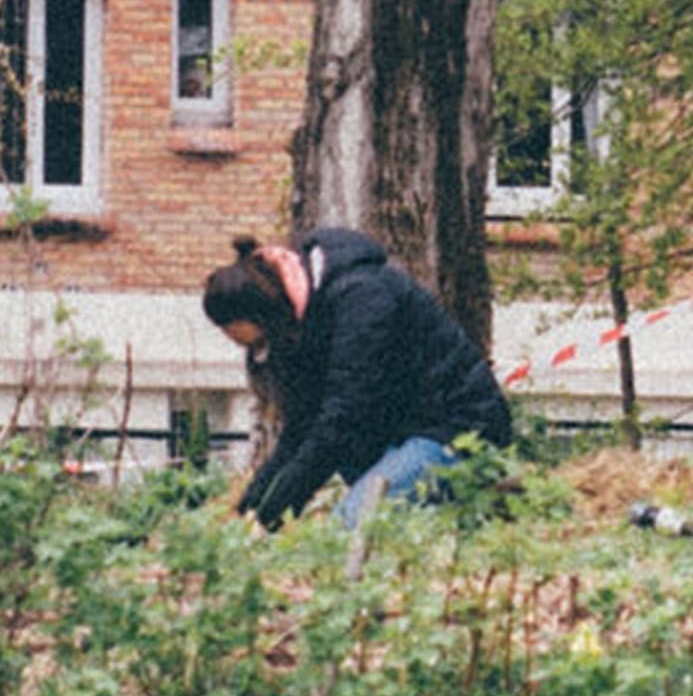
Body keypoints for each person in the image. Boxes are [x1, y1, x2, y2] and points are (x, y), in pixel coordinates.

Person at [211, 221, 510, 527]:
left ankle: (470, 512)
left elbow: (343, 417)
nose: (261, 355)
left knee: (350, 525)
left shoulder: (362, 299)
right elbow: (301, 426)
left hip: (455, 429)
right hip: (396, 436)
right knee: (356, 513)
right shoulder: (302, 322)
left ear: (269, 317)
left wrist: (275, 513)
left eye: (260, 343)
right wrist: (253, 505)